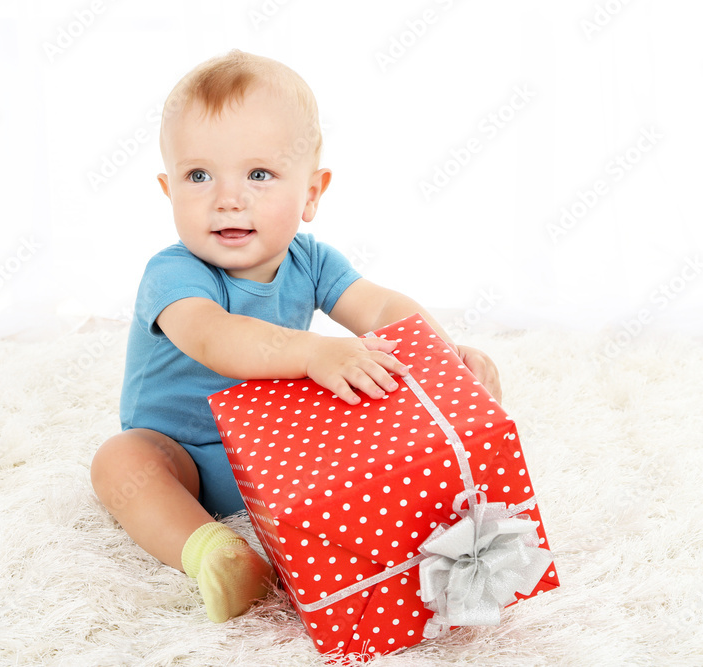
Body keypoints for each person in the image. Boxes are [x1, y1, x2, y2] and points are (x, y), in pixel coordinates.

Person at [90, 49, 501, 624]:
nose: (227, 197)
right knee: (120, 462)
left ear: (311, 193)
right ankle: (216, 551)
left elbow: (379, 305)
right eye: (198, 175)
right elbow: (214, 338)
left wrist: (438, 357)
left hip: (278, 459)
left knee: (365, 388)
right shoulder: (173, 274)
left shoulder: (310, 261)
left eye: (259, 174)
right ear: (169, 190)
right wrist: (313, 352)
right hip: (183, 456)